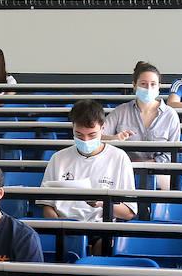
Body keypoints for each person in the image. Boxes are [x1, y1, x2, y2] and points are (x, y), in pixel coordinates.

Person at [38, 99, 136, 244]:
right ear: (72, 128)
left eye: (92, 135)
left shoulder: (119, 158)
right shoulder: (58, 158)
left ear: (103, 129)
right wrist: (58, 228)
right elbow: (47, 206)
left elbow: (129, 213)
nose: (85, 140)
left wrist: (103, 203)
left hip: (100, 230)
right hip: (63, 228)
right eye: (79, 135)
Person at [102, 61, 180, 190]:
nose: (148, 88)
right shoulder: (121, 111)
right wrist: (115, 138)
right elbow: (99, 136)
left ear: (159, 86)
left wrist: (144, 165)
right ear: (134, 85)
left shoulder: (170, 115)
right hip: (124, 170)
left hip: (158, 171)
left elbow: (171, 154)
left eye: (153, 84)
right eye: (143, 84)